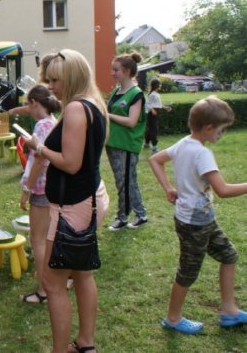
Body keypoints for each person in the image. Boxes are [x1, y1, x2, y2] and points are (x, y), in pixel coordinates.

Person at [24, 49, 110, 353]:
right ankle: (85, 343)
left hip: (74, 206)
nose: (50, 87)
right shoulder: (92, 103)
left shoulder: (75, 108)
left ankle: (61, 350)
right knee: (81, 273)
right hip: (87, 199)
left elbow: (70, 163)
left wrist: (39, 147)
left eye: (55, 80)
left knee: (52, 282)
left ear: (72, 77)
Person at [148, 96, 247, 334]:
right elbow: (222, 190)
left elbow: (155, 159)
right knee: (187, 272)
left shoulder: (184, 143)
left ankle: (229, 310)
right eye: (222, 130)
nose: (222, 135)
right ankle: (172, 318)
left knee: (229, 255)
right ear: (209, 128)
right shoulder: (201, 153)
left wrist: (168, 188)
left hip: (200, 218)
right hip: (194, 223)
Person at [9, 85, 61, 304]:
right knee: (52, 238)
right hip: (55, 187)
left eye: (28, 104)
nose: (26, 109)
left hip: (41, 189)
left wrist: (26, 190)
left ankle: (43, 290)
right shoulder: (54, 121)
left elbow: (40, 160)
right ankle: (59, 281)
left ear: (34, 103)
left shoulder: (41, 126)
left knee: (39, 240)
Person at [105, 52, 148, 231]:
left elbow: (131, 122)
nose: (112, 73)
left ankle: (124, 217)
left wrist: (107, 115)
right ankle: (140, 214)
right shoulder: (116, 91)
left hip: (127, 145)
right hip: (113, 143)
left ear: (127, 71)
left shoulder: (136, 94)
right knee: (123, 181)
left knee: (126, 182)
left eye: (116, 70)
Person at [144, 78, 171, 153]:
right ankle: (154, 147)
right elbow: (146, 103)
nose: (160, 85)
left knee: (151, 130)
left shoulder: (156, 94)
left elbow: (158, 104)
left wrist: (166, 108)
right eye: (159, 84)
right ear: (156, 85)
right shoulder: (152, 94)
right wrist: (152, 110)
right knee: (154, 130)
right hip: (151, 114)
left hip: (156, 114)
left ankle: (146, 143)